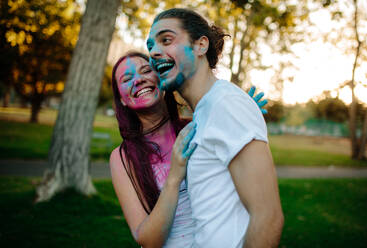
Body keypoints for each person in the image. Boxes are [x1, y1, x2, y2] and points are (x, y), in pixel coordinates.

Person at [147, 8, 284, 248]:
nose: (154, 52)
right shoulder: (208, 109)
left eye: (166, 40)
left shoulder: (226, 104)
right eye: (150, 47)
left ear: (201, 46)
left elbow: (268, 218)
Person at [109, 51, 267, 247]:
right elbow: (148, 240)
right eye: (127, 79)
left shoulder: (198, 127)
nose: (139, 80)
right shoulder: (123, 158)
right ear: (121, 99)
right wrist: (174, 176)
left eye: (146, 70)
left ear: (161, 79)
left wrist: (241, 120)